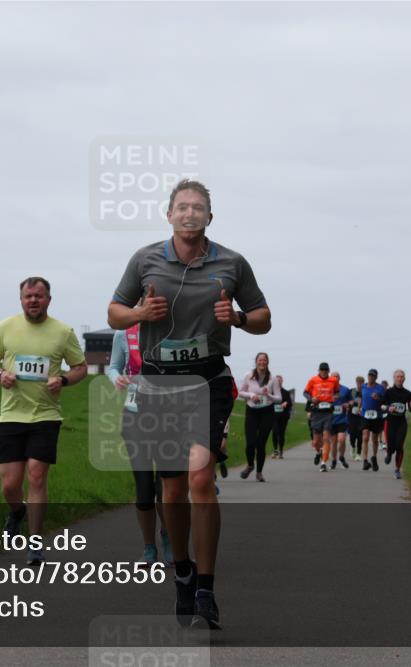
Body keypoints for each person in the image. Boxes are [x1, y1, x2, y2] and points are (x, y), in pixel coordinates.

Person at [108, 178, 271, 630]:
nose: (190, 213)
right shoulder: (145, 260)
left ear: (209, 217)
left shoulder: (232, 263)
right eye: (182, 206)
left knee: (201, 479)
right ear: (169, 215)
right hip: (159, 384)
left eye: (198, 207)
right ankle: (181, 569)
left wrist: (238, 317)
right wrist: (140, 314)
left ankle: (205, 588)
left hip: (208, 380)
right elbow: (114, 313)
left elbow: (263, 318)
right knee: (174, 488)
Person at [0, 277, 88, 566]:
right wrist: (0, 374)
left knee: (37, 476)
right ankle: (17, 512)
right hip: (11, 415)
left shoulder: (63, 332)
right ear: (21, 299)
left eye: (39, 296)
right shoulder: (6, 327)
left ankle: (36, 543)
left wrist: (63, 380)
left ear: (48, 300)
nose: (33, 300)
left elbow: (80, 368)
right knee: (9, 485)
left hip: (46, 415)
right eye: (28, 296)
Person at [107, 324, 173, 565]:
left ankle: (168, 537)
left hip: (168, 416)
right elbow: (113, 367)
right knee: (144, 488)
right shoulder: (123, 334)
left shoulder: (172, 328)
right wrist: (117, 378)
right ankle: (148, 546)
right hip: (135, 416)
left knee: (165, 487)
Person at [237, 353, 281, 482]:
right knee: (250, 443)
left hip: (267, 412)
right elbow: (240, 392)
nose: (262, 362)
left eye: (264, 360)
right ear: (256, 361)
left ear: (267, 362)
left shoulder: (273, 379)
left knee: (261, 443)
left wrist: (269, 396)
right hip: (252, 411)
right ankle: (250, 465)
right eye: (260, 360)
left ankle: (259, 473)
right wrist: (251, 395)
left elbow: (279, 398)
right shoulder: (249, 376)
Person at [304, 362, 340, 472]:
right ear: (319, 370)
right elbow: (305, 393)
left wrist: (335, 397)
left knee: (326, 438)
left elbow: (337, 392)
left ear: (328, 371)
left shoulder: (333, 380)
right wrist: (311, 399)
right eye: (322, 370)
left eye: (325, 370)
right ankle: (319, 451)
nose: (324, 372)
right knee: (315, 442)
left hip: (328, 412)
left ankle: (323, 463)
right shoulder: (313, 380)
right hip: (316, 412)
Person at [381, 369, 411, 479]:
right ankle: (389, 454)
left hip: (401, 423)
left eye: (401, 377)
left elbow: (410, 409)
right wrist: (388, 408)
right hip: (390, 422)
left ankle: (397, 469)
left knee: (399, 446)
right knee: (391, 446)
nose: (400, 379)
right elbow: (381, 406)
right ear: (394, 378)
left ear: (404, 379)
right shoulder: (388, 392)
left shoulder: (408, 393)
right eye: (398, 377)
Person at [359, 369, 384, 472]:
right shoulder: (363, 386)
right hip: (365, 414)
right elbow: (361, 398)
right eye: (369, 375)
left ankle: (374, 457)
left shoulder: (380, 388)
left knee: (374, 439)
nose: (371, 377)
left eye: (373, 376)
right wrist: (358, 408)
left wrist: (378, 398)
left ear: (376, 377)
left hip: (376, 416)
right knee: (365, 437)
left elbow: (383, 400)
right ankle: (365, 460)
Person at [329, 372, 353, 469]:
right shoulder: (327, 389)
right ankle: (334, 460)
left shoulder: (345, 389)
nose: (335, 378)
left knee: (341, 439)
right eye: (333, 376)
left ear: (339, 378)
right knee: (334, 442)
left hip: (342, 419)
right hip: (331, 419)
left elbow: (351, 400)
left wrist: (348, 404)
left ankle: (341, 457)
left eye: (337, 377)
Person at [271, 375, 292, 459]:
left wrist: (286, 403)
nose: (278, 382)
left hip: (283, 416)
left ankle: (281, 451)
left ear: (282, 381)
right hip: (273, 416)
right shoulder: (271, 392)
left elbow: (290, 403)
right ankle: (275, 450)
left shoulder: (286, 392)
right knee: (274, 432)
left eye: (280, 380)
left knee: (281, 433)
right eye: (277, 380)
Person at [348, 376, 364, 461]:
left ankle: (358, 454)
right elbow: (347, 401)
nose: (359, 384)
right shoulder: (352, 391)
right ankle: (353, 446)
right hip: (352, 415)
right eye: (358, 382)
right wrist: (350, 402)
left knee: (360, 435)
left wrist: (362, 405)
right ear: (356, 382)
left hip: (361, 416)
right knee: (352, 434)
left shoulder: (364, 392)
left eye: (361, 383)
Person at [380, 379, 390, 450]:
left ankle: (385, 443)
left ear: (386, 386)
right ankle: (380, 442)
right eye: (382, 386)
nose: (383, 387)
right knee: (380, 429)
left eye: (384, 386)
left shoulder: (389, 393)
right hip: (380, 412)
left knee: (385, 428)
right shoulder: (379, 393)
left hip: (387, 412)